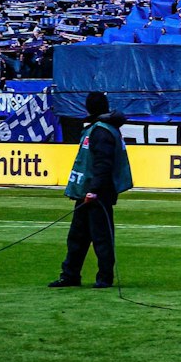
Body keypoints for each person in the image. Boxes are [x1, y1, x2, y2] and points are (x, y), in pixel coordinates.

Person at [52, 92, 130, 289]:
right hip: (89, 191)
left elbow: (103, 164)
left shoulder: (101, 131)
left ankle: (104, 277)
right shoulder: (102, 129)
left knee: (101, 237)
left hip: (97, 193)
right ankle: (70, 275)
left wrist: (94, 190)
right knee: (77, 237)